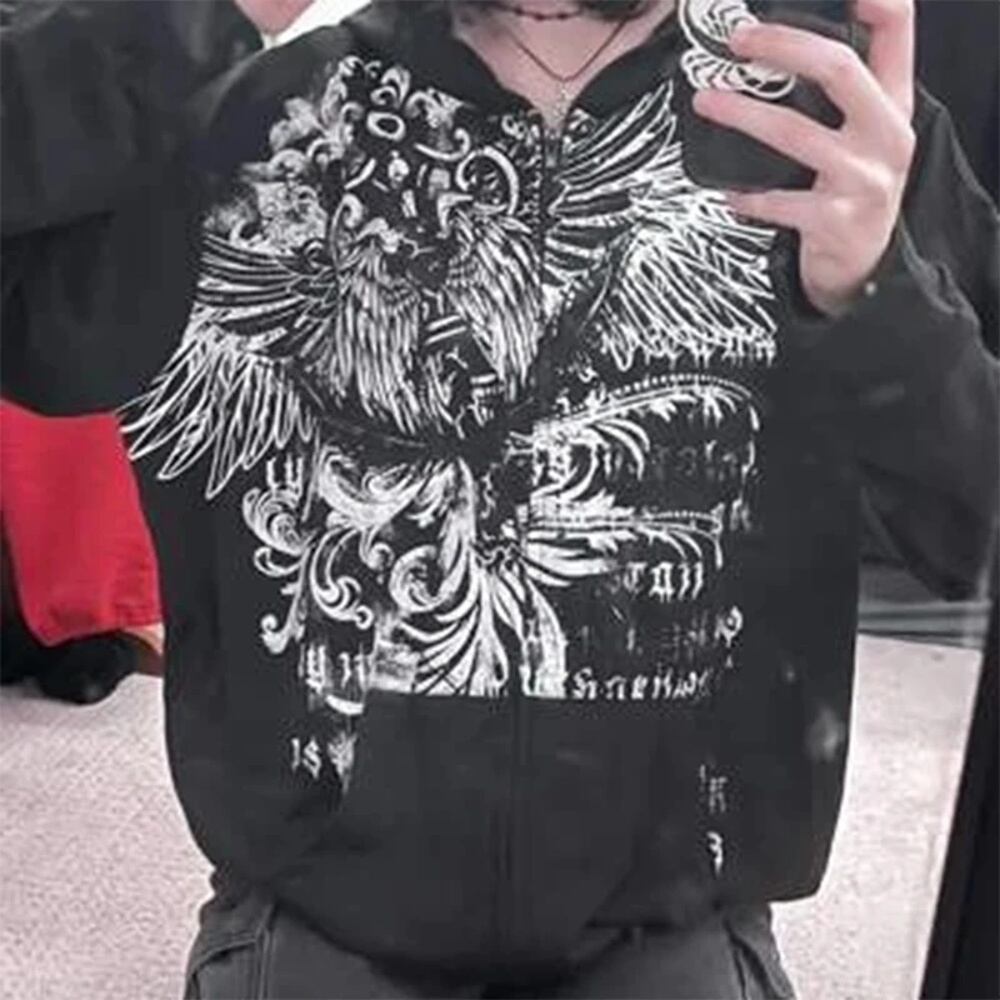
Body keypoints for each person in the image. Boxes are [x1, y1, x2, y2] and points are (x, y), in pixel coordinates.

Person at [2, 0, 997, 996]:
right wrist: (178, 24)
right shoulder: (249, 110)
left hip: (676, 913)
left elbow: (975, 529)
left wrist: (880, 299)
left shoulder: (826, 120)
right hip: (315, 906)